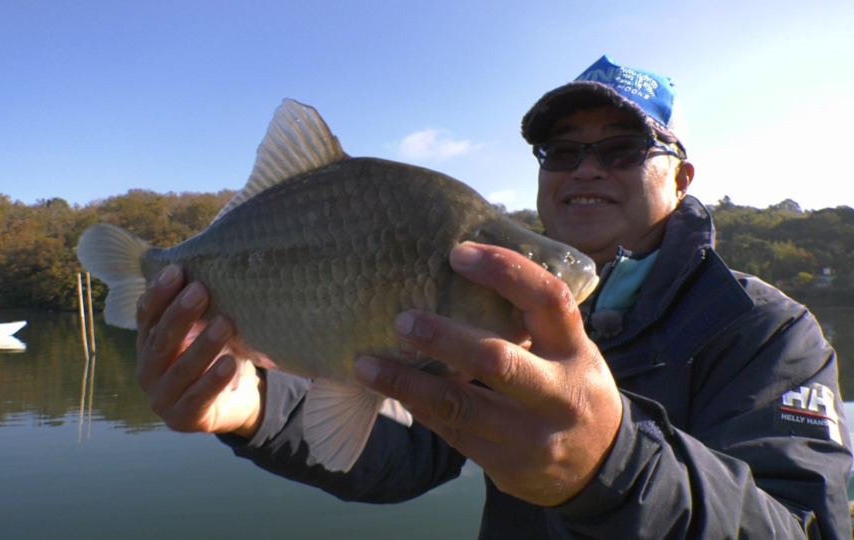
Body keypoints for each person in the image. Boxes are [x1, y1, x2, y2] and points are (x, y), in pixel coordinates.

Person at [134, 56, 852, 537]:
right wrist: (255, 408)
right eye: (563, 152)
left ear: (683, 178)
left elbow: (805, 526)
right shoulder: (488, 300)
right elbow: (413, 450)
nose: (586, 170)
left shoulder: (770, 333)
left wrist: (613, 465)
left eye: (624, 148)